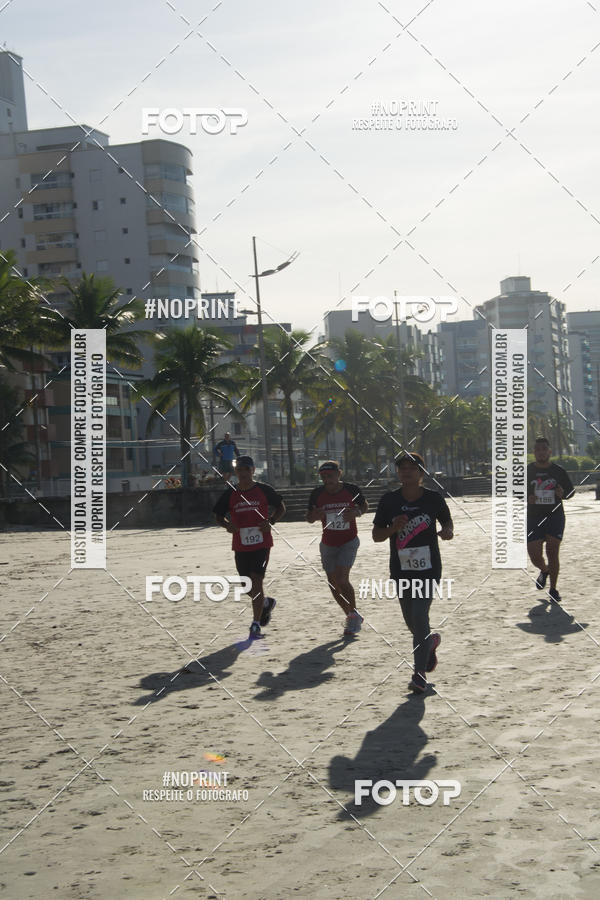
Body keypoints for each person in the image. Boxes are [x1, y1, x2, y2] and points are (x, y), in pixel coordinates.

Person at [372, 452, 453, 694]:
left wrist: (447, 531)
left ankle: (418, 675)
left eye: (411, 468)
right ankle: (428, 643)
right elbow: (376, 536)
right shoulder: (389, 500)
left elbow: (447, 523)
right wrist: (392, 528)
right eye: (402, 468)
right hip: (401, 569)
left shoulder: (433, 499)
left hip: (429, 568)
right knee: (412, 621)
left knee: (419, 615)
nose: (406, 472)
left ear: (421, 472)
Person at [213, 456, 285, 639]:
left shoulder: (263, 489)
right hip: (240, 545)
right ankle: (266, 603)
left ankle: (255, 624)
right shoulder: (230, 493)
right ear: (236, 473)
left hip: (262, 544)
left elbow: (281, 506)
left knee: (257, 580)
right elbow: (218, 515)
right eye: (239, 470)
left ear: (253, 470)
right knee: (247, 587)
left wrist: (271, 521)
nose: (243, 474)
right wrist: (227, 525)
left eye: (246, 470)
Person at [306, 461, 368, 636]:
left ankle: (354, 613)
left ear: (339, 474)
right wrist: (314, 516)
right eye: (324, 477)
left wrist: (357, 513)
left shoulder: (351, 490)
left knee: (342, 579)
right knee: (333, 584)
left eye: (330, 476)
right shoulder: (317, 494)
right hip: (328, 543)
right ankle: (350, 614)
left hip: (349, 541)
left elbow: (364, 506)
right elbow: (309, 517)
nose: (327, 480)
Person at [527, 437, 575, 603]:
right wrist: (528, 497)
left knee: (552, 552)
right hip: (534, 517)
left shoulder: (558, 471)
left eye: (544, 449)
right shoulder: (528, 471)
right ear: (534, 452)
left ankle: (553, 589)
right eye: (538, 449)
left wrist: (564, 494)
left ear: (549, 452)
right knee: (534, 555)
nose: (541, 452)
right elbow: (516, 492)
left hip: (555, 516)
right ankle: (544, 570)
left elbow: (571, 492)